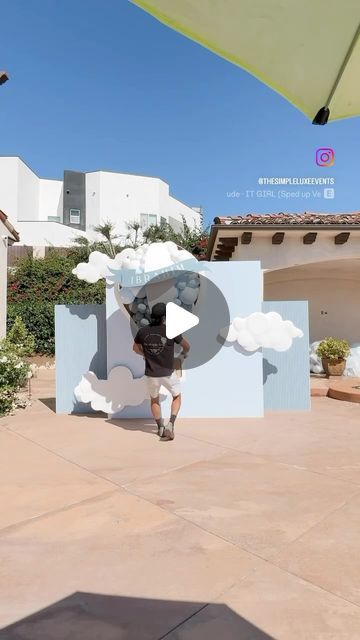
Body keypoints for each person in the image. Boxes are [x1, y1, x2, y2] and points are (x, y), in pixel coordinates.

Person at [133, 302, 190, 440]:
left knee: (154, 400)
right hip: (168, 372)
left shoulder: (143, 331)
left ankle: (160, 427)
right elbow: (187, 346)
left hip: (151, 373)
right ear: (164, 317)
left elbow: (135, 348)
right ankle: (171, 423)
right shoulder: (171, 330)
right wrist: (182, 355)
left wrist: (147, 354)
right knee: (176, 396)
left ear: (152, 315)